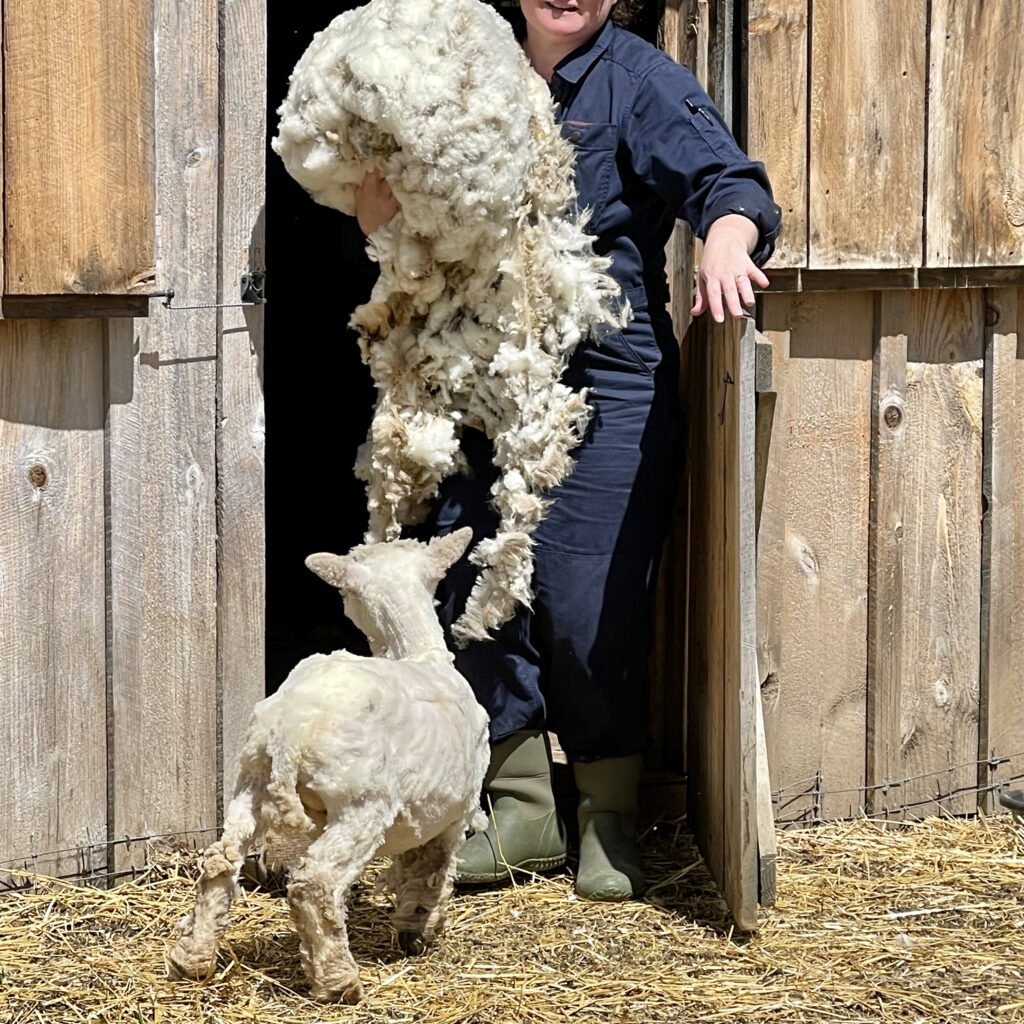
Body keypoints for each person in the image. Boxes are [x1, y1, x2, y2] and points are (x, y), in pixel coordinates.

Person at [352, 0, 780, 901]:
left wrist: (725, 242)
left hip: (604, 378)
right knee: (469, 580)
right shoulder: (465, 69)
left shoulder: (638, 80)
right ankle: (520, 808)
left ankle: (606, 814)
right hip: (472, 364)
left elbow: (730, 184)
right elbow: (381, 188)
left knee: (592, 599)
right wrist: (376, 209)